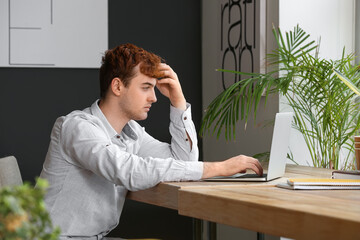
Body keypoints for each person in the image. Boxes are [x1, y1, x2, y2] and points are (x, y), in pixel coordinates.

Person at [39, 43, 263, 239]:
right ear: (117, 86)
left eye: (154, 89)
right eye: (146, 87)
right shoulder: (77, 127)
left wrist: (178, 100)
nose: (154, 98)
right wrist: (220, 168)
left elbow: (184, 159)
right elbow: (127, 170)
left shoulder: (131, 133)